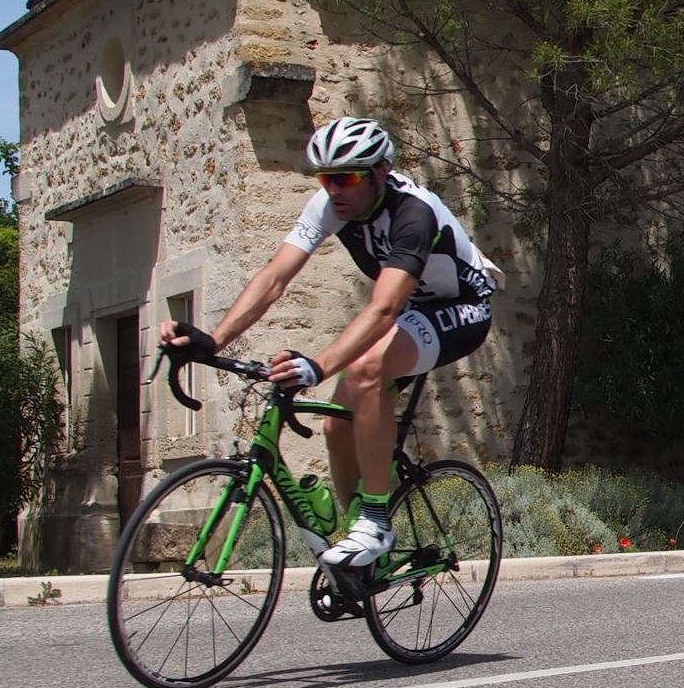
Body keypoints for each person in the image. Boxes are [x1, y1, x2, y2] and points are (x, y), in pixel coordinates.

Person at [159, 118, 498, 571]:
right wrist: (214, 339)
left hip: (462, 307)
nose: (334, 189)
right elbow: (275, 278)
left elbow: (382, 309)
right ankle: (364, 549)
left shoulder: (412, 213)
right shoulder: (331, 205)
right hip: (412, 311)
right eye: (325, 178)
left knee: (365, 370)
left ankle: (376, 523)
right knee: (337, 428)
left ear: (380, 173)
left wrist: (317, 367)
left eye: (346, 178)